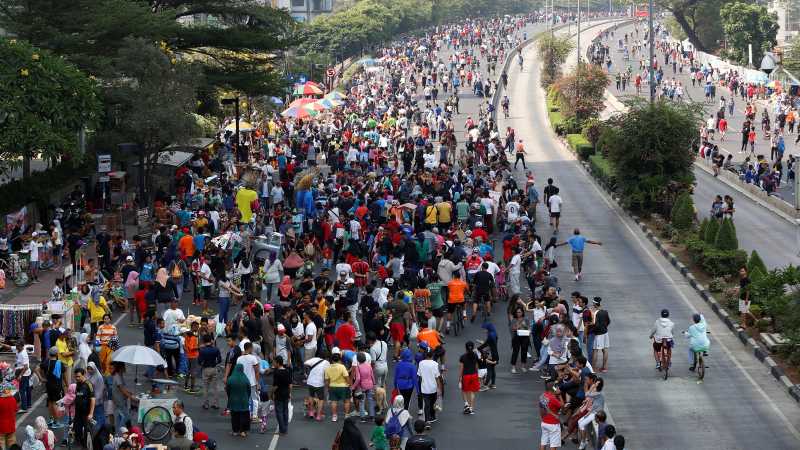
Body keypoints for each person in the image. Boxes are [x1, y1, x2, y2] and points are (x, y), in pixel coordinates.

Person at [417, 348, 442, 427]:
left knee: (427, 404)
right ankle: (432, 416)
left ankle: (427, 420)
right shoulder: (435, 364)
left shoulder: (421, 363)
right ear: (432, 354)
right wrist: (439, 388)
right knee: (432, 402)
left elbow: (419, 376)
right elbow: (437, 377)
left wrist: (421, 384)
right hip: (433, 387)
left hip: (424, 388)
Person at [225, 363, 251, 438]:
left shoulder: (231, 379)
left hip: (233, 400)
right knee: (244, 416)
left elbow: (228, 389)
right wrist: (247, 397)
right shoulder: (245, 379)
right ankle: (243, 431)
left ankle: (235, 431)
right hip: (244, 400)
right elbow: (249, 389)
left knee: (234, 416)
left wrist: (230, 397)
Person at [325, 349, 351, 422]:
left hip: (332, 386)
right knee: (346, 401)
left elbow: (327, 380)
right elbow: (346, 377)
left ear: (332, 360)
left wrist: (328, 388)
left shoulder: (328, 368)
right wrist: (349, 385)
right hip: (343, 387)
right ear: (339, 359)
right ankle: (346, 415)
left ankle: (334, 416)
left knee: (334, 402)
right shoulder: (342, 367)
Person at [72, 368, 95, 448]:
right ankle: (79, 444)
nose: (77, 378)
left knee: (87, 431)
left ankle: (86, 446)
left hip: (86, 413)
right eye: (76, 377)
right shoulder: (78, 384)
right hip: (78, 412)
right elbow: (78, 395)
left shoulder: (88, 385)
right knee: (77, 430)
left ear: (84, 375)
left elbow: (93, 399)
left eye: (78, 376)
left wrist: (91, 413)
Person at [198, 334, 221, 410]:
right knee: (215, 387)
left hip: (206, 369)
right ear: (211, 340)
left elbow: (199, 361)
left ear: (204, 341)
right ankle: (216, 404)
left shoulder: (202, 350)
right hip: (214, 368)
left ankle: (206, 404)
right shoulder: (216, 349)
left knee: (206, 388)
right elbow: (219, 360)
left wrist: (203, 363)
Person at [272, 355, 292, 434]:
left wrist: (271, 393)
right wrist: (290, 393)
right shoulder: (287, 371)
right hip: (286, 393)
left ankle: (282, 429)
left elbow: (275, 386)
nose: (273, 363)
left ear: (277, 363)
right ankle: (285, 427)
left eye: (274, 362)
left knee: (279, 412)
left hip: (279, 394)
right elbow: (290, 384)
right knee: (285, 411)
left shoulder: (276, 372)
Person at [458, 341, 480, 414]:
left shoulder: (462, 357)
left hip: (466, 376)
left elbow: (461, 368)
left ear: (466, 348)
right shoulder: (475, 356)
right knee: (472, 392)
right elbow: (476, 366)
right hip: (474, 375)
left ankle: (466, 404)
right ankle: (471, 408)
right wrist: (477, 375)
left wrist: (460, 378)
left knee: (464, 390)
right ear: (473, 347)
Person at [539, 383, 562, 450]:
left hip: (544, 422)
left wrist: (542, 418)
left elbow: (541, 408)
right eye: (556, 388)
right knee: (553, 445)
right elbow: (563, 406)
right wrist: (560, 395)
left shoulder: (542, 396)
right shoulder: (553, 398)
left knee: (543, 443)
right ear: (554, 389)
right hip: (553, 424)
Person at [591, 297, 610, 373]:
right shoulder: (605, 312)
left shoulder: (595, 313)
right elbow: (608, 321)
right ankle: (604, 367)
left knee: (595, 350)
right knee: (605, 350)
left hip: (598, 334)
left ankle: (593, 368)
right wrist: (604, 327)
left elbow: (595, 324)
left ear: (595, 304)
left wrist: (593, 331)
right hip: (605, 333)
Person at [0, 383, 17, 449]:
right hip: (11, 426)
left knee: (1, 445)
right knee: (12, 445)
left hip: (1, 428)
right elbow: (15, 411)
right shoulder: (13, 399)